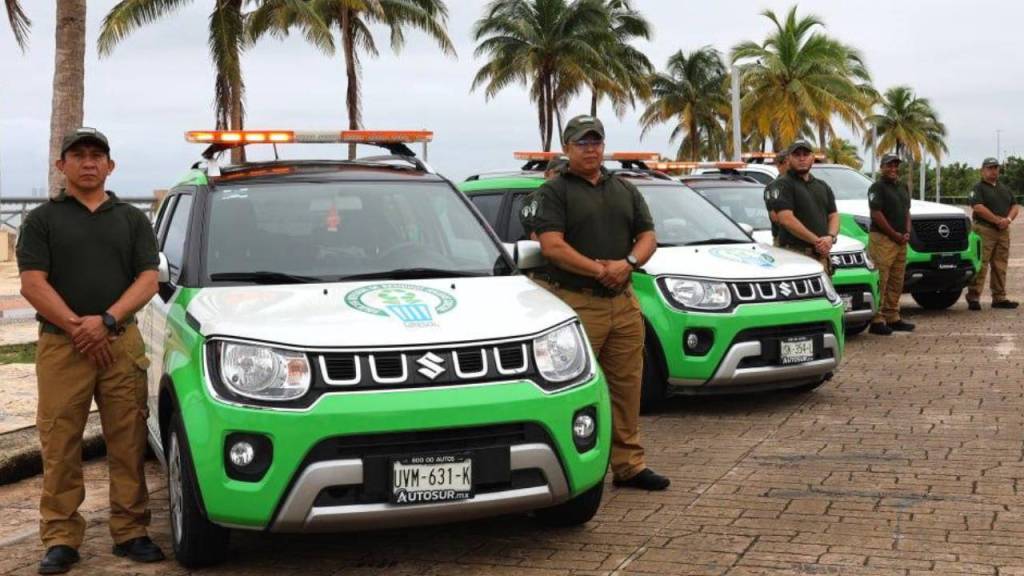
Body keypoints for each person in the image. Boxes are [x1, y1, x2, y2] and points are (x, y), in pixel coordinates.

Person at [16, 128, 164, 574]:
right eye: (77, 155)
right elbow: (32, 283)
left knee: (128, 440)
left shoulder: (132, 220)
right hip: (63, 348)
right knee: (59, 442)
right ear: (62, 166)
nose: (88, 162)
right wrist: (78, 328)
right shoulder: (42, 220)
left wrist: (106, 321)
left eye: (96, 155)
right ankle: (61, 538)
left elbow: (148, 279)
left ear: (110, 166)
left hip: (121, 343)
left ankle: (131, 531)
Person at [531, 115, 668, 491]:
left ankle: (629, 464)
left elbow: (647, 235)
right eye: (582, 143)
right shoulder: (554, 192)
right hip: (578, 303)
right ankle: (577, 466)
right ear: (567, 147)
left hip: (623, 302)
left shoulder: (623, 188)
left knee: (627, 386)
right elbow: (552, 246)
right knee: (574, 389)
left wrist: (628, 265)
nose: (590, 149)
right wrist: (598, 270)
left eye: (596, 142)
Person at [774, 140, 839, 275]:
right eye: (797, 155)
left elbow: (833, 215)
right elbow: (786, 219)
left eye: (805, 154)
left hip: (821, 255)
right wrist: (817, 241)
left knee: (823, 296)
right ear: (788, 159)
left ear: (812, 158)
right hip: (795, 256)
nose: (802, 158)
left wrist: (830, 237)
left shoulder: (822, 186)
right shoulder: (782, 185)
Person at [867, 154, 915, 335]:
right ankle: (877, 319)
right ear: (882, 167)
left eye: (896, 165)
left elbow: (907, 211)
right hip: (883, 239)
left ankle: (892, 315)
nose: (893, 168)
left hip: (901, 240)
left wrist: (907, 231)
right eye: (889, 165)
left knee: (897, 279)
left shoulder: (902, 187)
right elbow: (876, 214)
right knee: (882, 278)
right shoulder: (877, 187)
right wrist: (894, 234)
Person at [965, 157, 1020, 310]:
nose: (993, 171)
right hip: (984, 230)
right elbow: (978, 207)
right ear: (982, 170)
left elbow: (1015, 205)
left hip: (1002, 231)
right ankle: (974, 296)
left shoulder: (1004, 188)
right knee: (981, 264)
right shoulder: (978, 188)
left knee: (1000, 265)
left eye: (996, 168)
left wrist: (1008, 220)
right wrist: (997, 220)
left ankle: (999, 297)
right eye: (990, 168)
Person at [520, 156, 568, 241]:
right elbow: (538, 240)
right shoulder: (531, 201)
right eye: (558, 172)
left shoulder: (576, 198)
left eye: (567, 173)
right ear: (546, 174)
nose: (562, 176)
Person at [763, 151, 790, 246]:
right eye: (788, 163)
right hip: (785, 241)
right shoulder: (773, 187)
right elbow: (775, 217)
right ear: (779, 165)